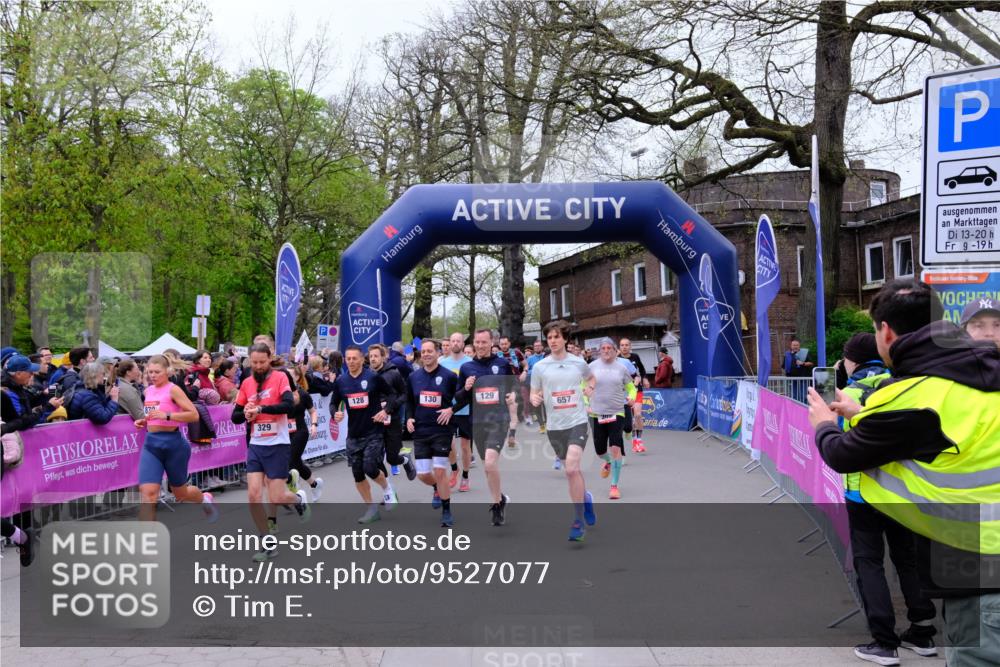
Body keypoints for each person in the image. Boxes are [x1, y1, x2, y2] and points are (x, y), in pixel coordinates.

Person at [807, 279, 1000, 667]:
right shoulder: (979, 375)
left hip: (979, 561)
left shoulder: (905, 396)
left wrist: (824, 424)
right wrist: (862, 414)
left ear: (885, 331)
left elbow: (845, 454)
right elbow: (941, 430)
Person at [835, 332, 938, 664]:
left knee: (869, 563)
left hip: (863, 491)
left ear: (853, 361)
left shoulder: (847, 393)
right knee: (906, 558)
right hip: (901, 491)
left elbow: (837, 440)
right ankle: (922, 632)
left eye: (846, 358)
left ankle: (884, 642)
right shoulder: (902, 385)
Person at [232, 344, 311, 562]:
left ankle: (297, 499)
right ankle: (267, 542)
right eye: (254, 362)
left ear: (269, 360)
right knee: (253, 495)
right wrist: (246, 412)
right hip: (256, 445)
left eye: (262, 362)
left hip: (278, 444)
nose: (257, 366)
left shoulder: (280, 378)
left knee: (276, 496)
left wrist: (261, 409)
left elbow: (288, 406)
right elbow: (235, 416)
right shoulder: (247, 382)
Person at [530, 320, 596, 541]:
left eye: (557, 336)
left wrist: (590, 388)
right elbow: (533, 392)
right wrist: (535, 398)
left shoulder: (578, 363)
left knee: (570, 469)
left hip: (576, 420)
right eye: (549, 337)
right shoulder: (540, 367)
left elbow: (591, 378)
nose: (553, 341)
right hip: (554, 425)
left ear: (565, 339)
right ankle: (585, 498)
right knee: (572, 470)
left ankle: (578, 521)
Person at [133, 355, 218, 524]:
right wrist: (144, 420)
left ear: (167, 371)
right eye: (150, 372)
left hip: (174, 445)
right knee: (148, 494)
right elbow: (153, 414)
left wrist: (168, 415)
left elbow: (194, 414)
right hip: (151, 445)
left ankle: (204, 499)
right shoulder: (147, 391)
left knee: (181, 494)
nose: (153, 375)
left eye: (157, 372)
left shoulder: (173, 389)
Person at [455, 329, 518, 526]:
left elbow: (513, 387)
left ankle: (496, 505)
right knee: (487, 467)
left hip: (499, 420)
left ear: (492, 343)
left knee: (490, 463)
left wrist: (513, 395)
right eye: (477, 342)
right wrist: (466, 388)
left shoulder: (502, 364)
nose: (480, 346)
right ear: (473, 343)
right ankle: (500, 499)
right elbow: (458, 398)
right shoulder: (467, 368)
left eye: (484, 342)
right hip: (477, 422)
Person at [331, 345, 398, 524]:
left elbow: (392, 395)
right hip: (353, 435)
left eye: (355, 358)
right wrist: (334, 413)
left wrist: (386, 412)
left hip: (373, 431)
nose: (351, 361)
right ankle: (371, 509)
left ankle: (387, 489)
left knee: (370, 467)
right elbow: (333, 403)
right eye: (348, 358)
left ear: (362, 359)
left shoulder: (373, 377)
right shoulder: (341, 381)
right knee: (358, 474)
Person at [406, 340, 459, 527]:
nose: (426, 354)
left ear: (438, 353)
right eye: (424, 351)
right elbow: (410, 402)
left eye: (430, 351)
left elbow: (461, 398)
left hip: (441, 430)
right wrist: (409, 418)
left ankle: (446, 511)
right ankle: (436, 487)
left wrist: (451, 410)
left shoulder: (449, 376)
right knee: (423, 475)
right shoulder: (413, 377)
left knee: (439, 470)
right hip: (420, 430)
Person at [588, 338, 637, 500]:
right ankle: (607, 461)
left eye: (610, 348)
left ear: (615, 350)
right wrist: (586, 402)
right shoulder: (591, 367)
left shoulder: (621, 368)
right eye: (603, 348)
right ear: (599, 350)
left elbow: (631, 387)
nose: (606, 350)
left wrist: (631, 397)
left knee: (616, 448)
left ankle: (614, 486)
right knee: (600, 450)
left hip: (617, 412)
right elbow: (582, 387)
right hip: (597, 413)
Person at [368, 343, 416, 481]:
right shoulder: (367, 375)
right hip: (374, 422)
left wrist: (390, 407)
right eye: (371, 356)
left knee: (392, 458)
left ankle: (405, 460)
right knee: (376, 459)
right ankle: (388, 491)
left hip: (392, 420)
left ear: (383, 357)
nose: (373, 359)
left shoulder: (393, 373)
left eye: (376, 356)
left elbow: (404, 394)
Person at [439, 332, 474, 492]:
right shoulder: (442, 363)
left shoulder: (470, 363)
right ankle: (455, 469)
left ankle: (465, 477)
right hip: (447, 409)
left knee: (465, 447)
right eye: (452, 340)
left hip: (465, 409)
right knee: (448, 444)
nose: (455, 343)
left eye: (458, 341)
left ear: (462, 343)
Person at [285, 365, 323, 501]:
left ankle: (296, 495)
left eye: (290, 375)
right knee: (297, 463)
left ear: (297, 377)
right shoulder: (280, 395)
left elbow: (312, 411)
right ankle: (315, 484)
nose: (287, 378)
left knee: (290, 462)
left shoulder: (303, 394)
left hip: (300, 432)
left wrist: (314, 425)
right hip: (284, 433)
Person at [2, 355, 61, 430]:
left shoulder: (15, 385)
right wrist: (49, 407)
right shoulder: (8, 392)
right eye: (29, 372)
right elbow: (23, 423)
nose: (32, 374)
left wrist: (44, 395)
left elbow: (27, 405)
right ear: (18, 374)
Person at [619, 338, 649, 452]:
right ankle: (632, 437)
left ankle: (639, 440)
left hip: (637, 389)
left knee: (637, 414)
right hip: (624, 391)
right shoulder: (616, 360)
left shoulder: (635, 357)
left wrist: (644, 379)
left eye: (626, 345)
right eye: (622, 345)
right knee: (628, 420)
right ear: (619, 347)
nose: (624, 347)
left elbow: (642, 370)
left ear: (630, 346)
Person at [524, 339, 547, 433]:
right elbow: (526, 370)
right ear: (533, 348)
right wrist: (534, 371)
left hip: (546, 385)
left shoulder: (546, 357)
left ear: (542, 347)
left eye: (539, 345)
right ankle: (542, 425)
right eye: (535, 346)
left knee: (547, 406)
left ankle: (548, 424)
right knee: (536, 406)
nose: (537, 347)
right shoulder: (530, 359)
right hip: (535, 386)